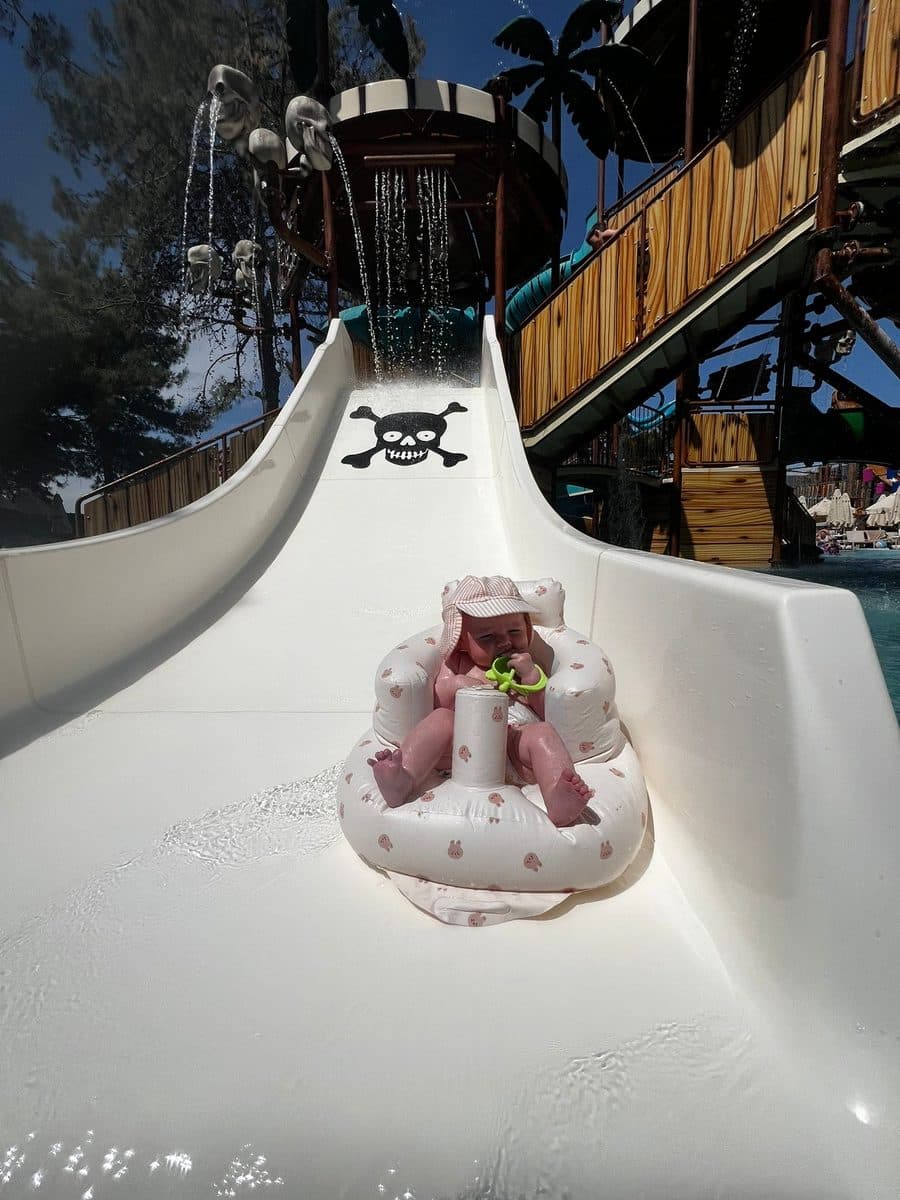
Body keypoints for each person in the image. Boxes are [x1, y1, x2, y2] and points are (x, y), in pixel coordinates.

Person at [368, 576, 594, 827]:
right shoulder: (458, 666)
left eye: (515, 631)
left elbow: (547, 711)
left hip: (514, 748)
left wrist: (530, 677)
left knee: (542, 732)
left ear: (527, 630)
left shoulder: (528, 667)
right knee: (442, 719)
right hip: (464, 749)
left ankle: (558, 795)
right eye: (487, 637)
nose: (505, 642)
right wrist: (456, 686)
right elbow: (434, 702)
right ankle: (404, 776)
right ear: (461, 641)